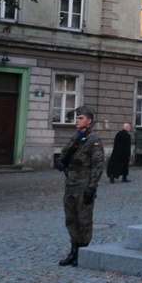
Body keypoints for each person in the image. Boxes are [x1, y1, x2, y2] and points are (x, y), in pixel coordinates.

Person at [53, 105, 104, 267]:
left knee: (84, 219)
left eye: (81, 118)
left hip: (84, 185)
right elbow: (64, 154)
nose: (77, 120)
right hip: (71, 184)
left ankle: (82, 251)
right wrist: (61, 162)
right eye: (77, 117)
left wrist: (92, 187)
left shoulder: (94, 140)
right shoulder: (76, 137)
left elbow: (98, 165)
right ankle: (73, 250)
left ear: (89, 121)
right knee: (71, 218)